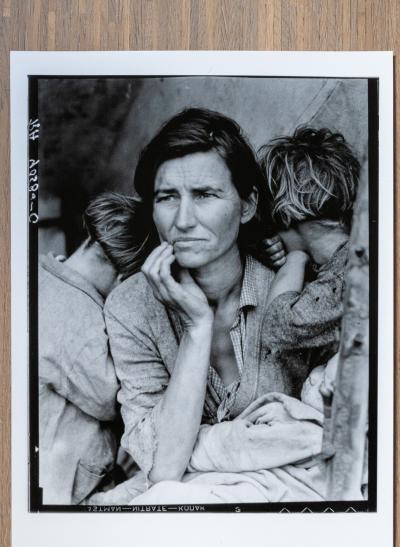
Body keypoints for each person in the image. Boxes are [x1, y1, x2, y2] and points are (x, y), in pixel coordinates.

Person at [104, 109, 323, 497]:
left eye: (205, 195)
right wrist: (196, 328)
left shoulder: (291, 291)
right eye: (167, 197)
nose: (183, 220)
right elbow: (163, 465)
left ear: (247, 205)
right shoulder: (131, 307)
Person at [39, 192, 143, 504]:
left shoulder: (43, 275)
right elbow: (116, 399)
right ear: (126, 277)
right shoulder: (78, 317)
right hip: (63, 492)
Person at [259, 126, 360, 361]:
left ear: (285, 213)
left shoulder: (346, 275)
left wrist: (295, 259)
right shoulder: (348, 258)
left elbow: (277, 328)